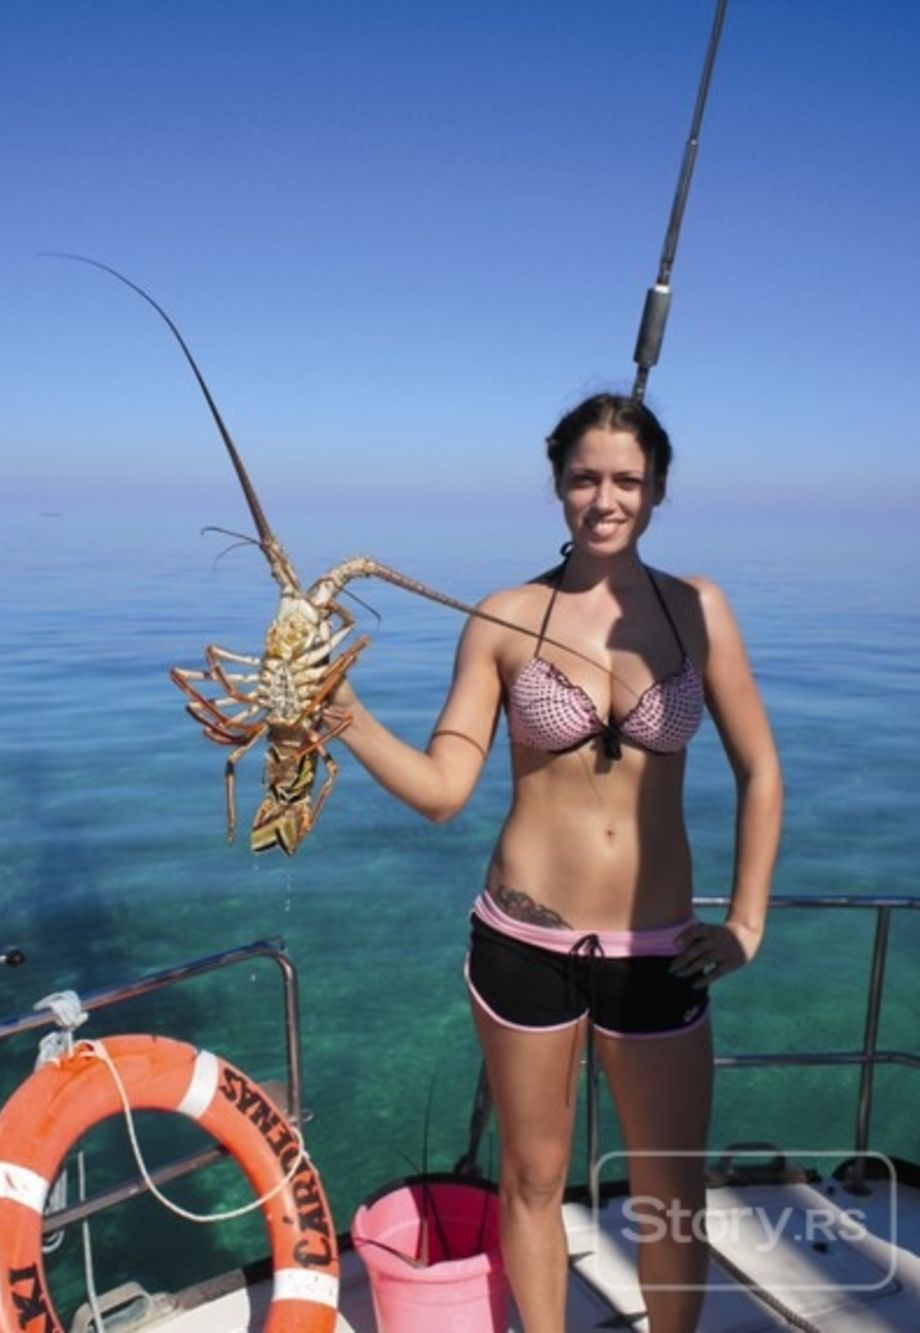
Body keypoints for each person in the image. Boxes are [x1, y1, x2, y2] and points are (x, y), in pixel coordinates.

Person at [323, 393, 782, 1333]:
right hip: (523, 938)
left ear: (657, 490)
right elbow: (449, 787)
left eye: (626, 479)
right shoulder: (501, 616)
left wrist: (745, 922)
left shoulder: (699, 609)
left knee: (668, 1190)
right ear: (557, 486)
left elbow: (760, 768)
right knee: (531, 1180)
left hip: (658, 945)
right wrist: (350, 720)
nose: (604, 498)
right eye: (584, 478)